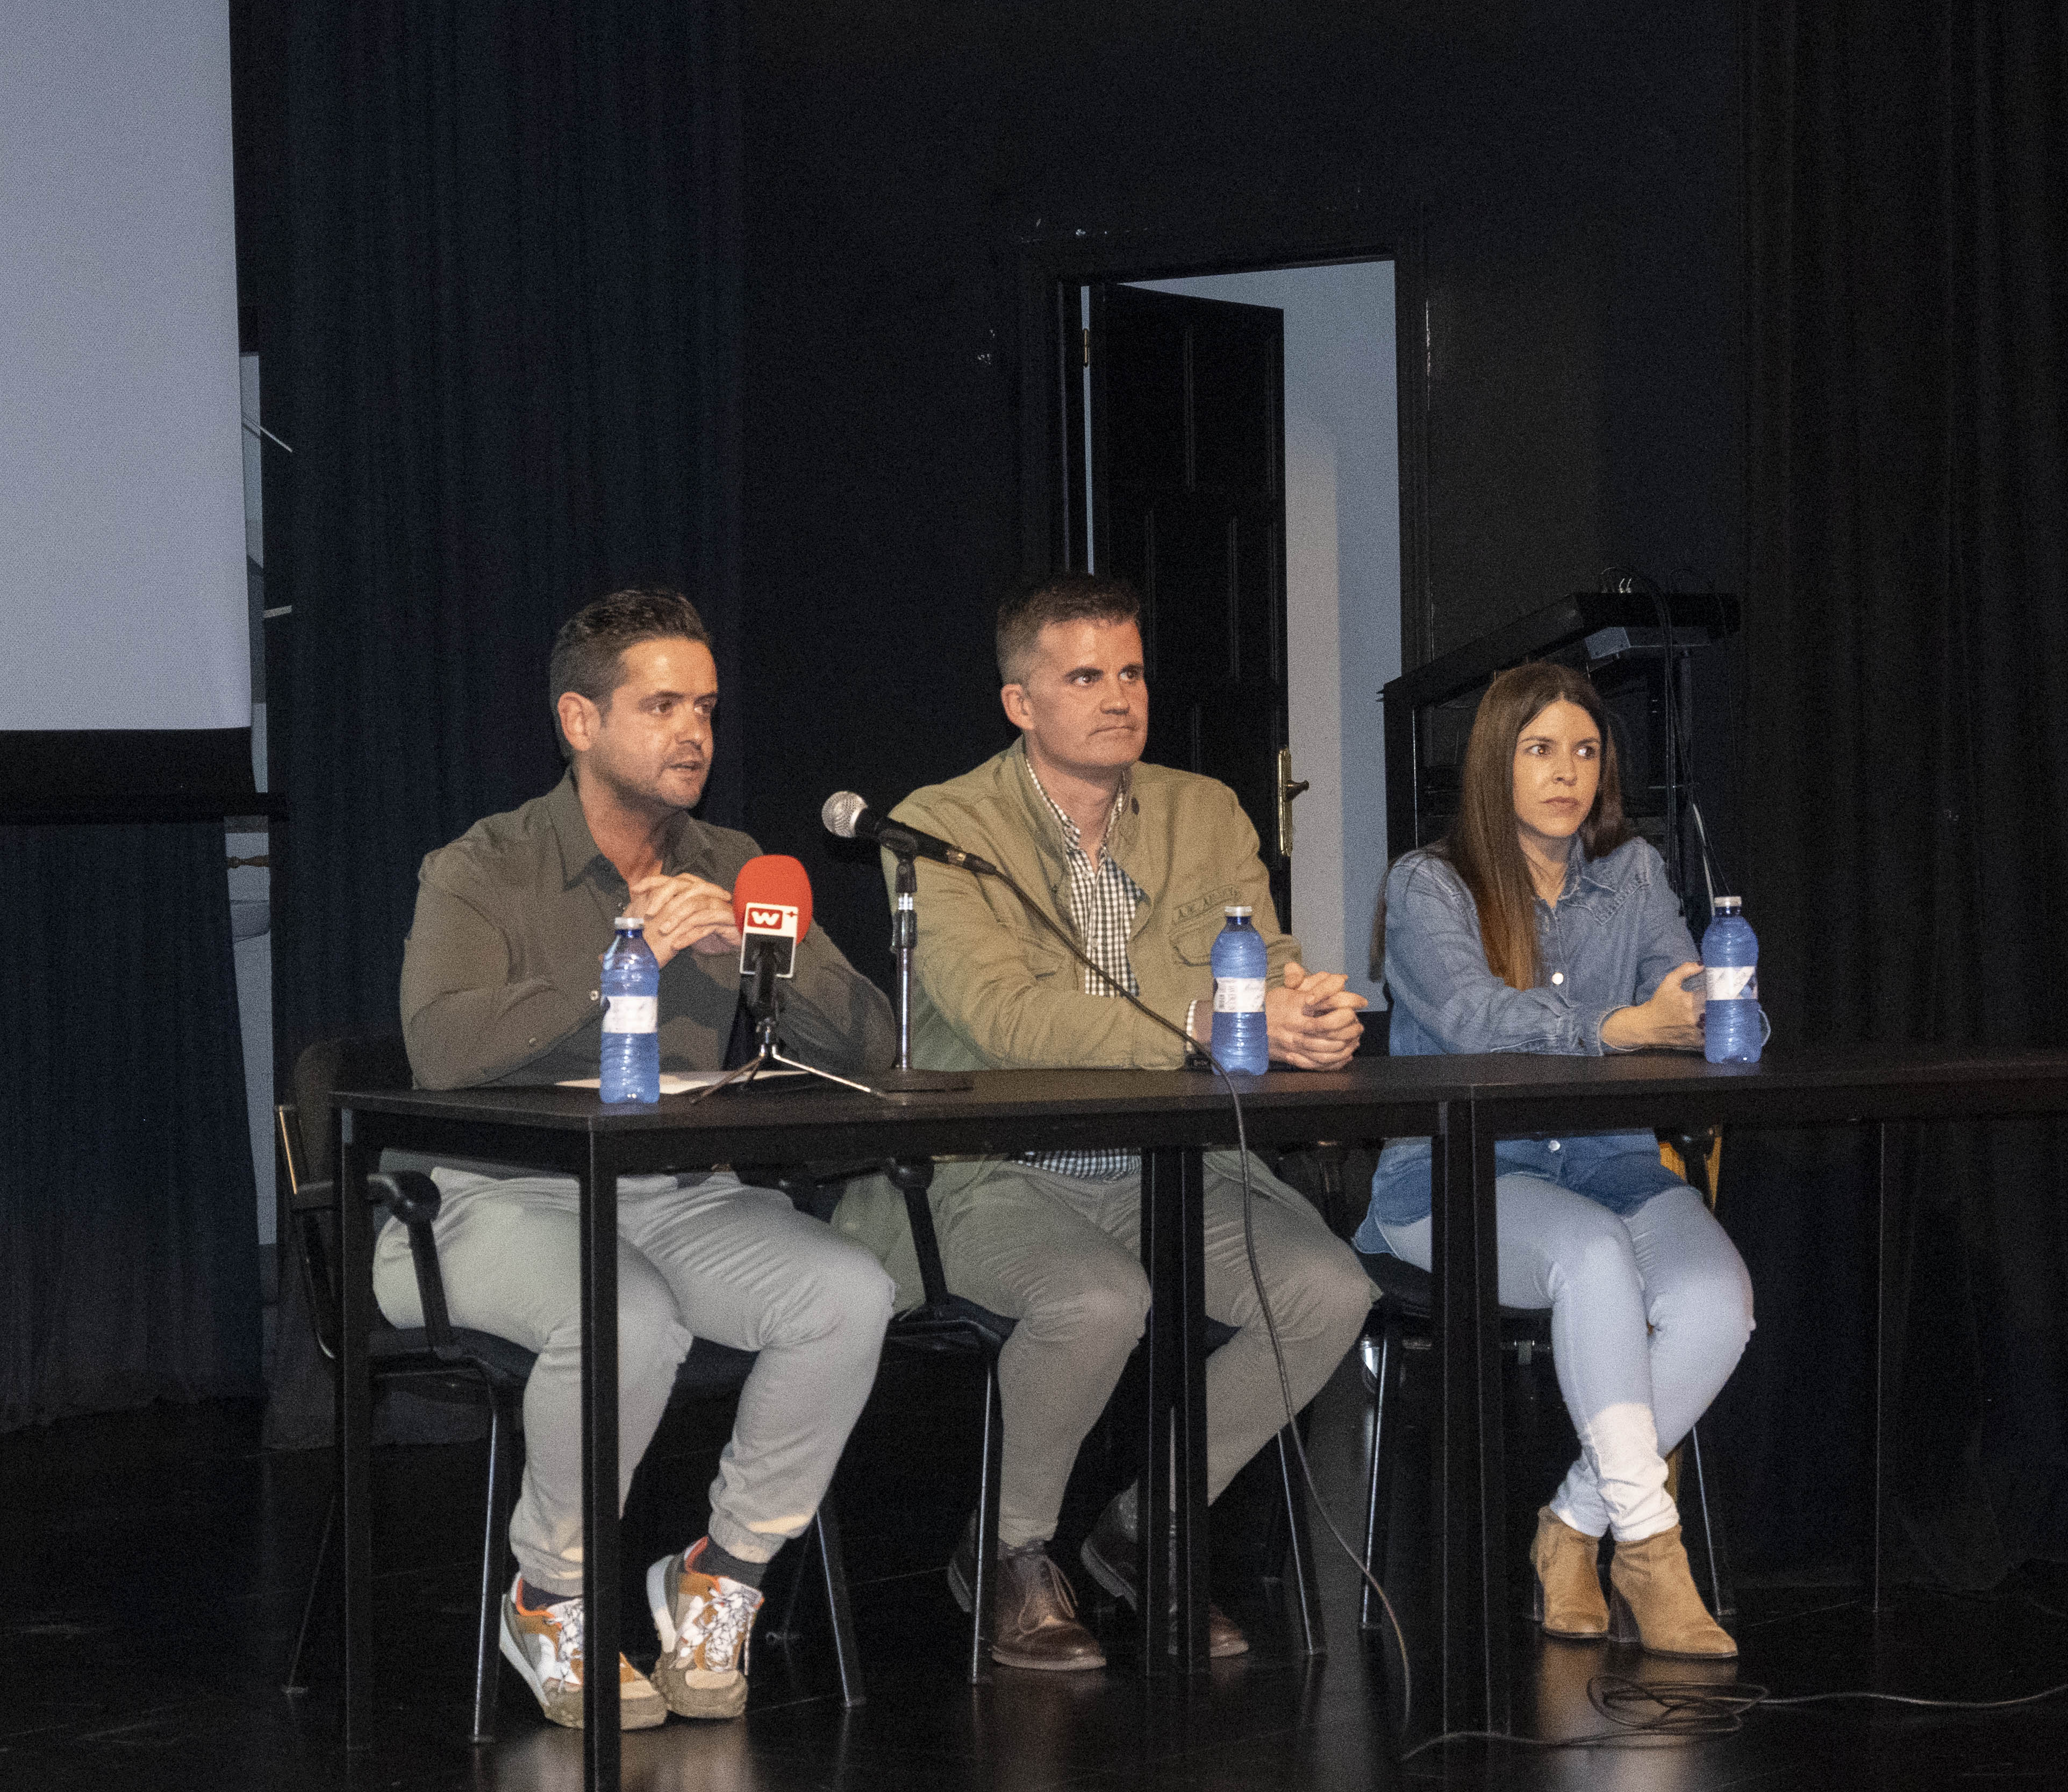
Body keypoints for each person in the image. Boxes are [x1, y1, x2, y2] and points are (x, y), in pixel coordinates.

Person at [840, 572, 1377, 1670]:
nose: (1120, 696)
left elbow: (1269, 960)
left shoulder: (1204, 810)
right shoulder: (939, 828)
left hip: (1172, 1163)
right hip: (992, 1169)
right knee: (1096, 1297)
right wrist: (1207, 1018)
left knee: (1331, 1291)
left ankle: (1149, 1523)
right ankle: (1007, 1548)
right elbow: (1007, 1016)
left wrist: (1308, 1011)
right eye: (1085, 677)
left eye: (1131, 671)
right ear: (1020, 703)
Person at [392, 589, 899, 1731]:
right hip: (495, 1197)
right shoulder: (482, 866)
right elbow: (441, 1049)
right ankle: (552, 1594)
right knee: (625, 1315)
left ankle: (723, 1570)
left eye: (706, 708)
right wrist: (624, 960)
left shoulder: (736, 862)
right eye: (662, 706)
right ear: (580, 721)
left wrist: (769, 950)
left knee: (848, 1293)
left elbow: (868, 1045)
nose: (694, 734)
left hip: (677, 1196)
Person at [1359, 659, 1752, 1658]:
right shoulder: (1427, 884)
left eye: (1585, 750)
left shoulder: (1635, 873)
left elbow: (1690, 993)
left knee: (1719, 1301)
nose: (1567, 772)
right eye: (1540, 750)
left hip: (1610, 1164)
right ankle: (1651, 1550)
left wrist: (1713, 1007)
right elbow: (1473, 1018)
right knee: (1593, 1257)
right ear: (1497, 763)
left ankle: (1572, 1523)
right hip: (1455, 1176)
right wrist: (1625, 1027)